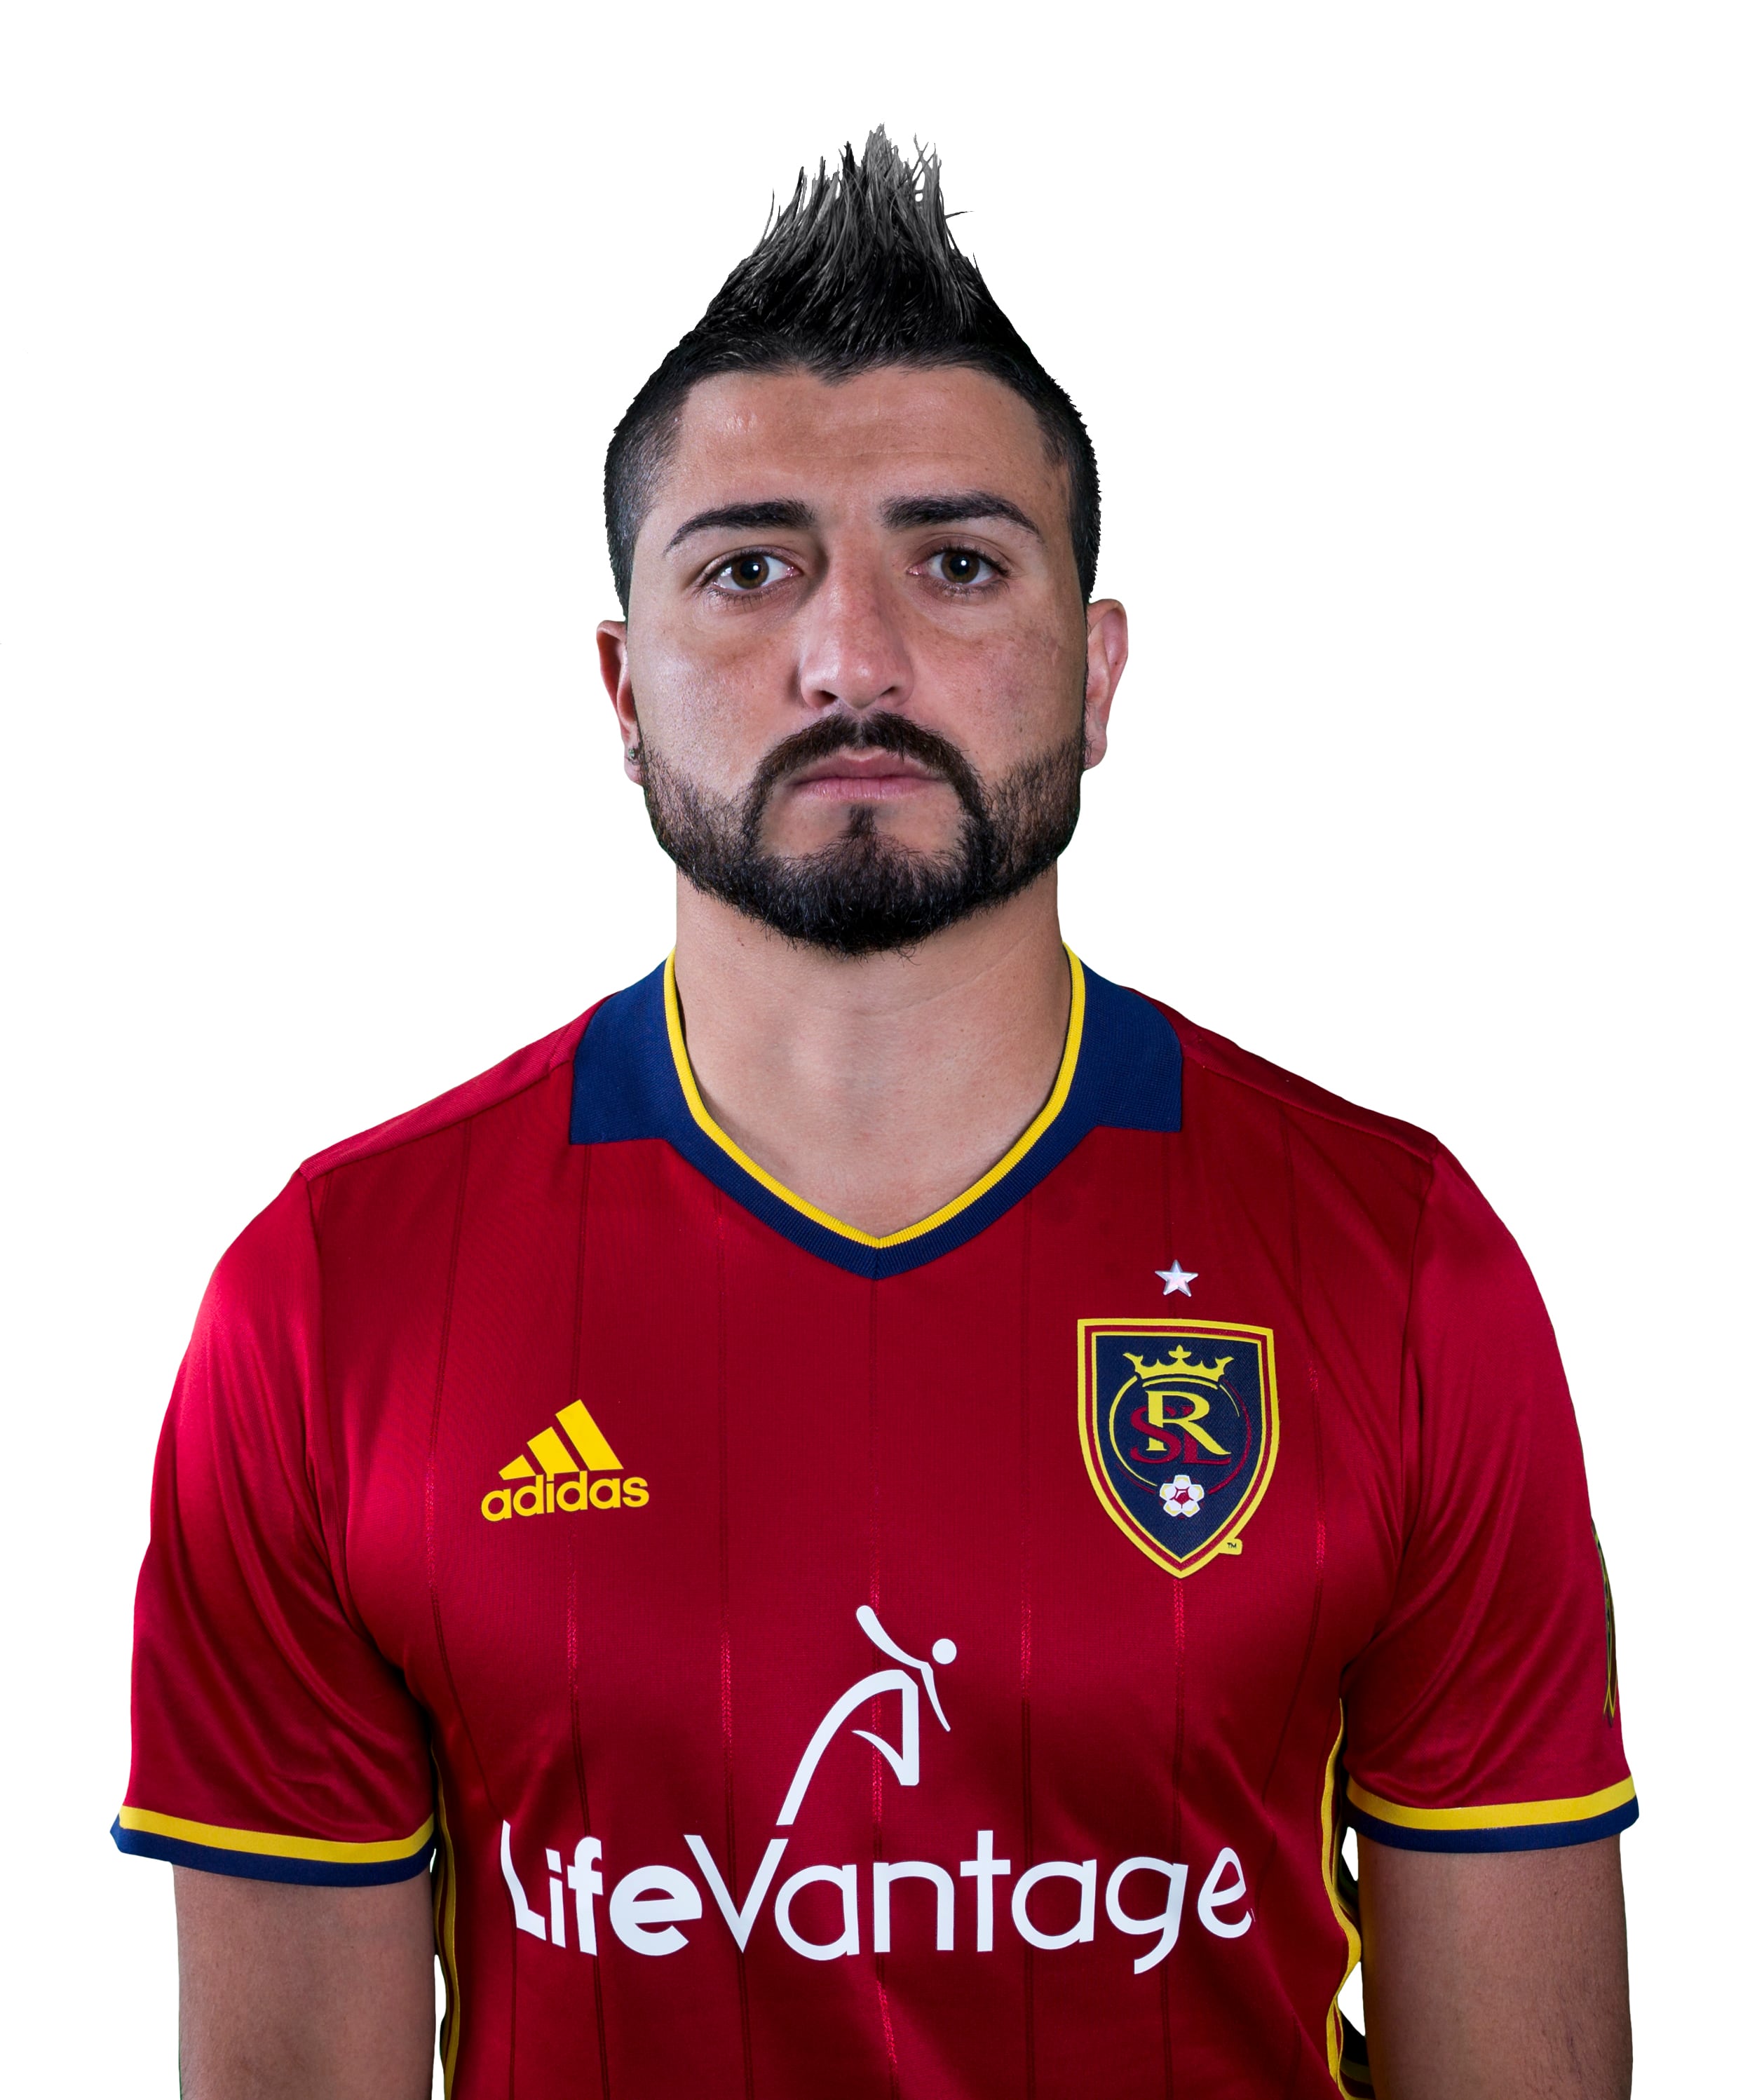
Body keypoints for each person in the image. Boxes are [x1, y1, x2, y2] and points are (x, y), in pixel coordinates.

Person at [115, 133, 1634, 2100]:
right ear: (622, 687)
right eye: (750, 568)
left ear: (1097, 673)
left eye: (958, 563)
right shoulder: (336, 1298)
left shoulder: (1400, 1261)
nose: (850, 658)